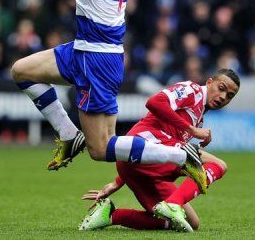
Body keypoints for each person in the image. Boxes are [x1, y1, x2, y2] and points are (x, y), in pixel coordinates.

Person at [0, 0, 209, 188]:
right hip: (84, 48)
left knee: (101, 149)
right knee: (21, 70)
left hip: (97, 57)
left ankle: (180, 155)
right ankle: (68, 134)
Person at [78, 69, 240, 232]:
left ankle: (111, 215)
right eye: (221, 88)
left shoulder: (199, 118)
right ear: (210, 82)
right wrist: (191, 130)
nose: (223, 97)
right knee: (218, 164)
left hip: (140, 166)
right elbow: (154, 102)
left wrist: (117, 182)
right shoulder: (192, 90)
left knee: (190, 223)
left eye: (230, 95)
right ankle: (172, 204)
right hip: (143, 145)